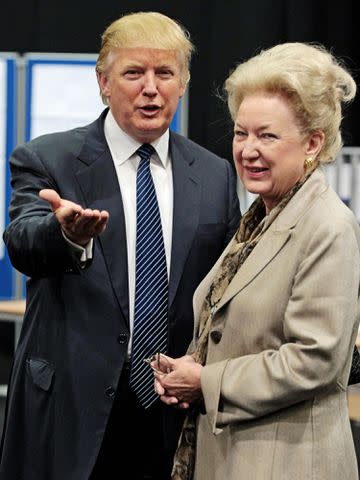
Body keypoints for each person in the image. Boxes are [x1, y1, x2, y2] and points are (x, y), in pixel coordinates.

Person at [0, 11, 241, 480]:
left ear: (183, 83)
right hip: (72, 407)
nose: (150, 88)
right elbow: (23, 242)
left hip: (174, 408)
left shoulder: (214, 174)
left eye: (164, 73)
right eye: (134, 73)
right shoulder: (48, 157)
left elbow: (225, 287)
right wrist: (65, 235)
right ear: (103, 83)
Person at [154, 42, 360, 479]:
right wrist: (191, 367)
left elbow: (314, 360)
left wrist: (205, 383)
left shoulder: (328, 225)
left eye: (267, 135)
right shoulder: (260, 217)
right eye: (240, 133)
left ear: (313, 143)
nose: (248, 150)